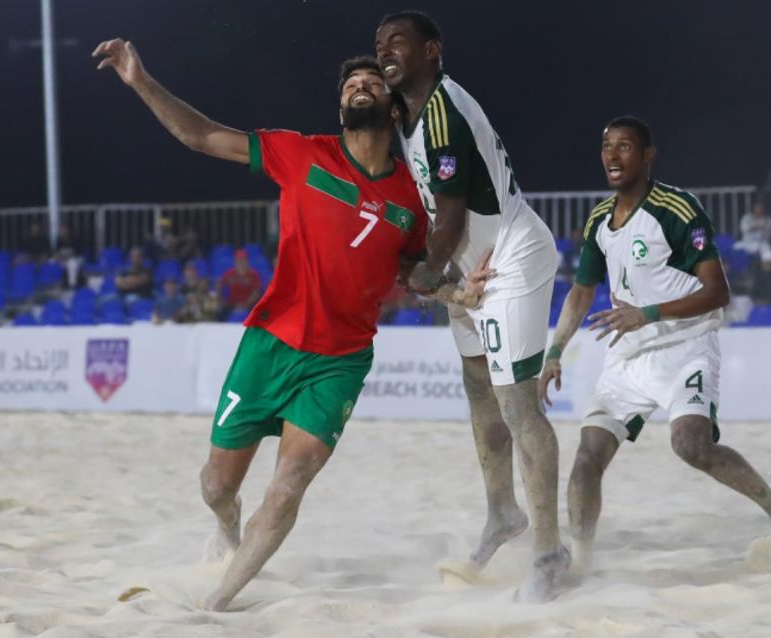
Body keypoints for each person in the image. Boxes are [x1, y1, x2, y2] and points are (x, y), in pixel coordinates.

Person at [94, 38, 489, 611]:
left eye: (373, 81)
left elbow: (412, 270)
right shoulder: (302, 154)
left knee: (290, 481)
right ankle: (229, 534)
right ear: (340, 108)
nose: (361, 85)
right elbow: (201, 135)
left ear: (393, 107)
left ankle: (216, 602)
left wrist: (458, 290)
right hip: (269, 343)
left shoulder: (411, 196)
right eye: (351, 83)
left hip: (341, 360)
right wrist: (140, 79)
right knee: (216, 486)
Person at [539, 116, 771, 578]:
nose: (613, 155)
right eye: (606, 147)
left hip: (686, 345)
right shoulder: (600, 220)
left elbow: (718, 291)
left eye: (625, 147)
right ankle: (579, 565)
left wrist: (648, 313)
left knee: (691, 446)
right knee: (587, 456)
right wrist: (555, 351)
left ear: (647, 156)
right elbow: (581, 292)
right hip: (628, 353)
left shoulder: (677, 209)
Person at [376, 10, 567, 600]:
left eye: (398, 42)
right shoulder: (406, 116)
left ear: (432, 50)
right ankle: (503, 514)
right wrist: (444, 280)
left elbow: (451, 216)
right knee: (479, 391)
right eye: (379, 43)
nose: (386, 51)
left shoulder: (441, 115)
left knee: (519, 409)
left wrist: (423, 279)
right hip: (470, 266)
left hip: (507, 261)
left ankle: (549, 554)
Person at [218, 249, 262, 316]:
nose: (241, 263)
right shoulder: (230, 273)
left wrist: (244, 305)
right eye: (238, 261)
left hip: (249, 305)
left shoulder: (253, 274)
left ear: (247, 262)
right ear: (235, 262)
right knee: (220, 314)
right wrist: (222, 300)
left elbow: (256, 293)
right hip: (232, 304)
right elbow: (219, 284)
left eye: (243, 261)